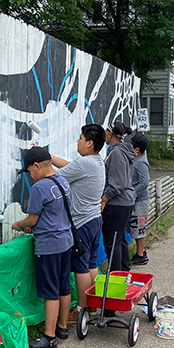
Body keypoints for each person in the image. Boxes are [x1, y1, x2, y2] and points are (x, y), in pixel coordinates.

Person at [12, 145, 74, 348]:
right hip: (66, 242)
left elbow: (32, 219)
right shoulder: (63, 181)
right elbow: (54, 213)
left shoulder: (40, 188)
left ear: (37, 166)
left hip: (49, 246)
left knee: (50, 292)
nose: (30, 175)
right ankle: (62, 328)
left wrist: (19, 225)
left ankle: (49, 336)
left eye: (30, 171)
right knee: (64, 286)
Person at [48, 124, 105, 323]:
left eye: (80, 138)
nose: (77, 141)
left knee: (81, 267)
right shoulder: (96, 162)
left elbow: (55, 176)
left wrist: (41, 163)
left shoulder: (84, 164)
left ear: (89, 143)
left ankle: (81, 310)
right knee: (91, 264)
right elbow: (68, 165)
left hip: (81, 223)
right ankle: (94, 304)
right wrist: (48, 156)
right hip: (94, 220)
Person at [101, 121, 136, 271]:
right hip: (125, 202)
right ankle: (124, 272)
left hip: (117, 204)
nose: (104, 134)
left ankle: (115, 276)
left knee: (112, 243)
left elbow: (118, 183)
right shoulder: (122, 150)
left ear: (111, 134)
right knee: (120, 239)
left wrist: (104, 199)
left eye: (106, 131)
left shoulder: (116, 153)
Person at [129, 132, 151, 266]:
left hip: (140, 200)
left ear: (137, 149)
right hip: (135, 199)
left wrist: (131, 192)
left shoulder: (141, 163)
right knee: (135, 226)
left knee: (139, 227)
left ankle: (140, 255)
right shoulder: (135, 160)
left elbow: (144, 183)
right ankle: (140, 251)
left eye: (131, 146)